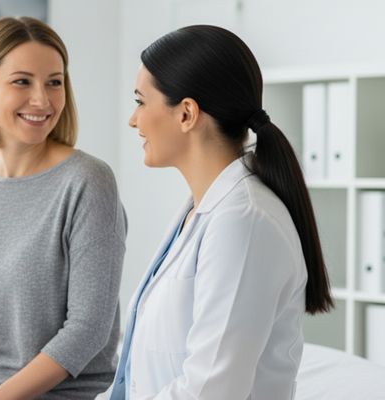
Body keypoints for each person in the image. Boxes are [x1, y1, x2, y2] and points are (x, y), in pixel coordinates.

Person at [109, 25, 334, 399]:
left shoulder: (243, 222)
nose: (134, 120)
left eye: (140, 102)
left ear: (186, 114)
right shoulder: (205, 211)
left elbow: (211, 389)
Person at [0, 16, 127, 400]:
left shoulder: (88, 181)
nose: (43, 99)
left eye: (55, 82)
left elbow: (88, 328)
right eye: (22, 81)